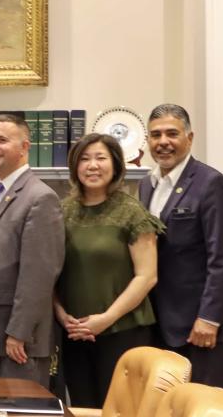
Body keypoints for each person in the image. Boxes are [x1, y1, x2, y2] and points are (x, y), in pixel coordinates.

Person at [139, 104, 223, 388]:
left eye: (172, 133)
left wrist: (209, 318)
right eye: (155, 135)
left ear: (189, 138)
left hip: (200, 325)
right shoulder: (146, 185)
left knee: (201, 407)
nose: (163, 142)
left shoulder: (211, 183)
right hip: (162, 323)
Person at [55, 133, 163, 407]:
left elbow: (147, 276)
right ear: (75, 167)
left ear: (115, 165)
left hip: (123, 332)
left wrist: (105, 319)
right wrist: (61, 314)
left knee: (121, 410)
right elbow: (48, 272)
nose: (92, 165)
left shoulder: (132, 212)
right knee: (80, 408)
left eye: (100, 158)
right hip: (74, 333)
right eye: (85, 159)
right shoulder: (61, 212)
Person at [0, 114, 64, 385]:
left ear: (25, 147)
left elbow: (40, 275)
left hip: (16, 343)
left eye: (2, 140)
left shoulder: (40, 198)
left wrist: (19, 333)